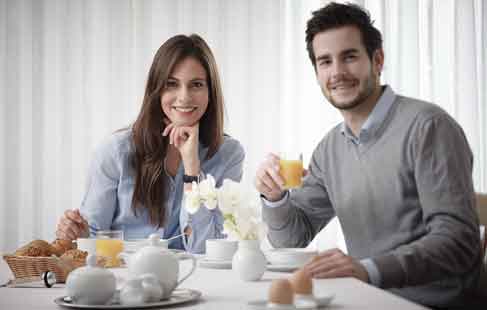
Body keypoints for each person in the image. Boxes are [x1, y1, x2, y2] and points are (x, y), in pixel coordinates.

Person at [254, 2, 486, 308]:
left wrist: (368, 269)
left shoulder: (429, 128)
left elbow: (458, 241)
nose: (337, 72)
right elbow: (291, 238)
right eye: (325, 62)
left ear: (378, 60)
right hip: (369, 300)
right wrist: (275, 198)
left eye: (349, 57)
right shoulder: (329, 149)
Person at [56, 34, 245, 254]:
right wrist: (76, 232)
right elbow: (93, 238)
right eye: (172, 84)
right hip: (126, 278)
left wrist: (192, 169)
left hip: (194, 280)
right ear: (156, 91)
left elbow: (208, 249)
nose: (184, 97)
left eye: (196, 85)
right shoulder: (115, 151)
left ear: (210, 93)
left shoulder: (228, 154)